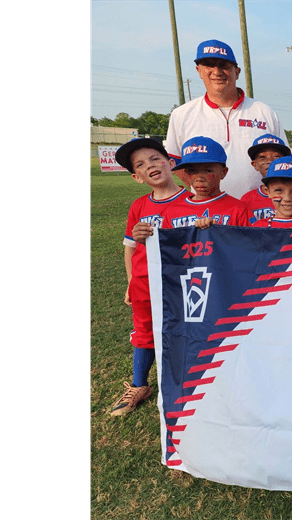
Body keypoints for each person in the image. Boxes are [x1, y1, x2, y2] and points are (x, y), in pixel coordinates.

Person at [109, 138, 188, 416]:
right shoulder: (139, 206)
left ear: (170, 162)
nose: (150, 166)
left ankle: (187, 386)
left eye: (155, 158)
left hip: (180, 284)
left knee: (182, 333)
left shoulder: (192, 200)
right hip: (144, 283)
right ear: (137, 177)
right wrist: (131, 281)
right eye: (141, 165)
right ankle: (138, 385)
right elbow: (129, 248)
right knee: (145, 335)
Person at [164, 39, 283, 199]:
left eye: (224, 65)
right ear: (199, 71)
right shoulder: (182, 114)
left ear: (237, 72)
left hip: (261, 208)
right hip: (208, 209)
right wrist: (204, 190)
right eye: (209, 65)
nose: (217, 71)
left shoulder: (264, 112)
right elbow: (175, 162)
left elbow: (283, 160)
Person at [167, 136, 251, 229]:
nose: (199, 178)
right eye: (192, 171)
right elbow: (164, 242)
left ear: (223, 172)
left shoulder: (239, 210)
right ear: (186, 173)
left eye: (208, 171)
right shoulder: (173, 211)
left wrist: (219, 232)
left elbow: (251, 242)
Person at [240, 134, 292, 224]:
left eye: (276, 157)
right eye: (262, 157)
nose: (270, 161)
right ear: (254, 164)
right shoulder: (247, 199)